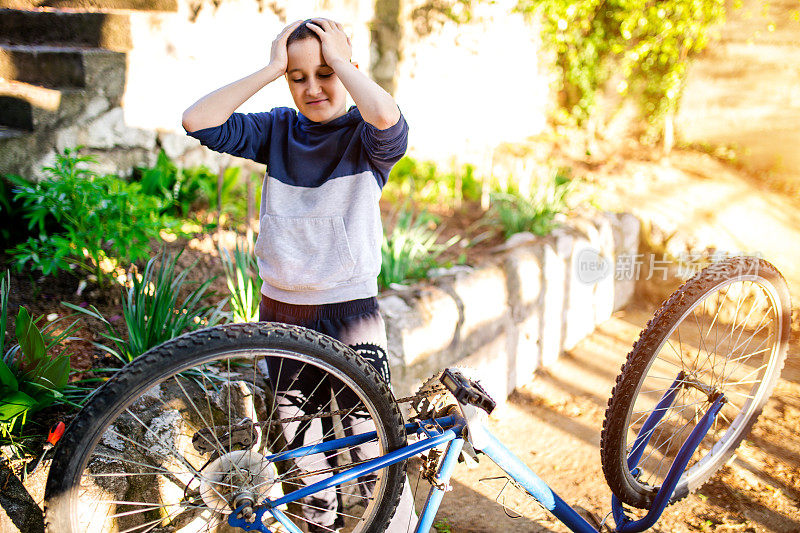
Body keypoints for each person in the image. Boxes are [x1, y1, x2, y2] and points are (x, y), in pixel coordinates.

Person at [182, 18, 415, 532]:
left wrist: (347, 66)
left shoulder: (365, 137)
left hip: (351, 312)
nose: (313, 88)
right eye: (298, 77)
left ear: (350, 70)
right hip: (283, 314)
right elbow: (197, 120)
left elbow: (386, 116)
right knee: (303, 452)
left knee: (373, 441)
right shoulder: (276, 130)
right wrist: (270, 69)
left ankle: (394, 525)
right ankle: (321, 527)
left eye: (327, 72)